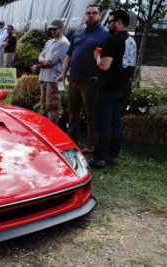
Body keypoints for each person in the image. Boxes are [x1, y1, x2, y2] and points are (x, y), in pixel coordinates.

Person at [56, 4, 109, 153]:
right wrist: (63, 73)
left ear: (100, 16)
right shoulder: (78, 33)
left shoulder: (105, 34)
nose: (90, 15)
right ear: (85, 16)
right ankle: (71, 141)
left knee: (92, 114)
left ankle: (92, 145)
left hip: (91, 82)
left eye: (94, 13)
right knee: (73, 113)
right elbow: (69, 54)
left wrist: (102, 76)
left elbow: (110, 57)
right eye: (88, 13)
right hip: (74, 79)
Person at [89, 10, 137, 168]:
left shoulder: (112, 41)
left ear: (119, 22)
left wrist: (97, 59)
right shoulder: (132, 41)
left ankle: (99, 158)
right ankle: (112, 156)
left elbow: (104, 65)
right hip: (123, 88)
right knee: (116, 122)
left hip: (109, 89)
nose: (107, 24)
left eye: (110, 21)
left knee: (104, 123)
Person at [31, 19, 69, 125]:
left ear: (61, 28)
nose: (52, 30)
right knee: (43, 106)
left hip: (54, 79)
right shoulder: (50, 42)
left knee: (52, 106)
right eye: (51, 28)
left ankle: (52, 131)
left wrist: (39, 65)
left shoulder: (64, 43)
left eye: (54, 28)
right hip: (44, 78)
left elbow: (51, 62)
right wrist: (43, 60)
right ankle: (45, 129)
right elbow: (41, 57)